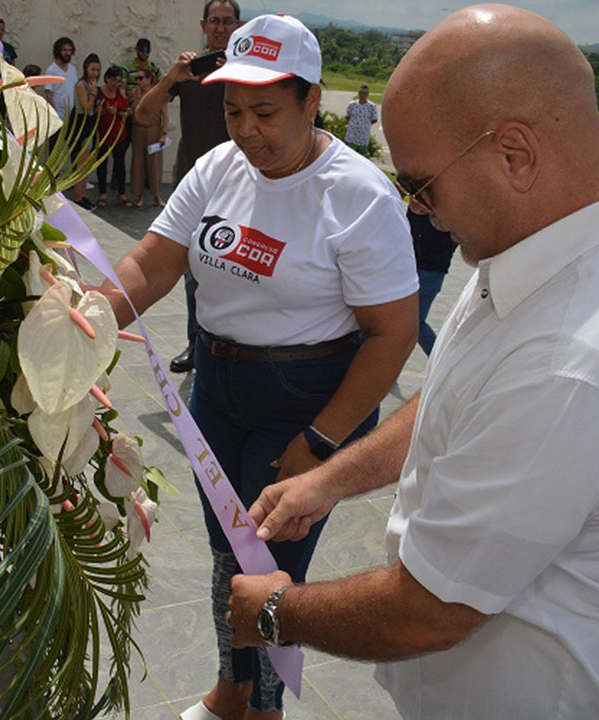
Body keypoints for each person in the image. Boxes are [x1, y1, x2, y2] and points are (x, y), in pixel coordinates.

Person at [226, 6, 599, 720]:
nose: (417, 209)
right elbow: (455, 398)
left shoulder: (575, 357)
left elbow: (430, 611)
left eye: (421, 185)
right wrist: (329, 480)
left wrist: (277, 612)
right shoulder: (540, 246)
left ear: (514, 154)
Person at [105, 15, 418, 720]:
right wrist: (86, 319)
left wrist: (319, 445)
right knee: (227, 552)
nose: (246, 130)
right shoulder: (219, 167)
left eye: (267, 112)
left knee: (273, 571)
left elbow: (392, 336)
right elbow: (152, 263)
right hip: (216, 389)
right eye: (233, 110)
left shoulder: (357, 195)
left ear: (313, 103)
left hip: (305, 399)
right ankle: (231, 688)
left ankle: (266, 709)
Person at [134, 0, 243, 374]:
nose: (221, 27)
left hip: (240, 186)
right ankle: (196, 345)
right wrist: (170, 78)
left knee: (234, 270)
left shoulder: (246, 71)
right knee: (193, 270)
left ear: (238, 24)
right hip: (192, 184)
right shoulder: (189, 72)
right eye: (215, 20)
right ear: (203, 24)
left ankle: (229, 347)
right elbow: (143, 114)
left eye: (228, 20)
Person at [407, 208, 456, 355]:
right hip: (410, 267)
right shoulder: (418, 208)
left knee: (415, 323)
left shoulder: (450, 212)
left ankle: (441, 361)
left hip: (431, 271)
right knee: (402, 320)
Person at [129, 69, 168, 208]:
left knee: (155, 164)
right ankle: (139, 195)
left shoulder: (157, 93)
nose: (138, 81)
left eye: (141, 78)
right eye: (137, 79)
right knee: (138, 163)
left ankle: (156, 195)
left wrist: (163, 133)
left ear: (149, 78)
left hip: (153, 129)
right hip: (137, 130)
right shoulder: (133, 93)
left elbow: (165, 115)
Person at [68, 54, 101, 211]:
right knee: (81, 163)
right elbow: (86, 108)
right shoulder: (82, 85)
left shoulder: (92, 84)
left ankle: (82, 195)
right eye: (92, 69)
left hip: (90, 125)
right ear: (86, 69)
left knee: (87, 164)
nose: (95, 73)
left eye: (98, 70)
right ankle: (77, 197)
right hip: (81, 125)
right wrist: (93, 94)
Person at [96, 66, 132, 208]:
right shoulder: (99, 92)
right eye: (113, 80)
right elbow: (94, 110)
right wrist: (105, 111)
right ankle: (102, 193)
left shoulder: (121, 92)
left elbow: (126, 107)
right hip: (103, 133)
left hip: (118, 132)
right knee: (102, 164)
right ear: (106, 79)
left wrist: (127, 112)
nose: (115, 84)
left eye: (118, 81)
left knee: (119, 163)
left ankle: (121, 192)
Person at [43, 37, 79, 122]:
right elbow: (49, 94)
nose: (68, 53)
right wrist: (54, 115)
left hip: (71, 117)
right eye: (65, 50)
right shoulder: (51, 70)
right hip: (57, 117)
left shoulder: (73, 69)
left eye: (70, 50)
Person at [344, 85, 378, 154]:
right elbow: (348, 116)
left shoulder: (372, 106)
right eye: (361, 93)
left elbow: (374, 119)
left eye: (365, 93)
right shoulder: (352, 105)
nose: (362, 95)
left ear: (368, 95)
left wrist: (365, 125)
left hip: (363, 139)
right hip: (351, 137)